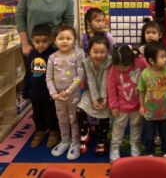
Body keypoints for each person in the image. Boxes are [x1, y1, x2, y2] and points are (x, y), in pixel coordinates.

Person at [46, 25, 84, 160]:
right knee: (62, 119)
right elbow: (49, 77)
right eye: (61, 38)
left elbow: (80, 76)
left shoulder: (78, 55)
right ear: (54, 40)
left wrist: (68, 91)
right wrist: (54, 94)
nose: (64, 41)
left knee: (73, 119)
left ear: (74, 40)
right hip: (57, 96)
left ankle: (75, 143)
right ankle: (65, 141)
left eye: (68, 38)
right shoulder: (52, 57)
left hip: (73, 94)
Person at [108, 45, 148, 162]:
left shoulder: (140, 62)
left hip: (138, 105)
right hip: (121, 107)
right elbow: (111, 90)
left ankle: (135, 145)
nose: (122, 70)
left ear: (132, 60)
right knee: (118, 127)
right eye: (118, 67)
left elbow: (148, 72)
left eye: (125, 67)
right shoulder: (113, 70)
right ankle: (115, 147)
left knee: (136, 126)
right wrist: (114, 106)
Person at [22, 23, 59, 148]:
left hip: (49, 93)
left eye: (44, 41)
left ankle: (54, 132)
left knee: (51, 113)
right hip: (35, 93)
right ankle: (39, 131)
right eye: (37, 42)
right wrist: (25, 89)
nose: (41, 44)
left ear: (50, 40)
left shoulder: (54, 54)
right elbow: (28, 73)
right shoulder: (31, 54)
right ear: (32, 41)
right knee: (37, 114)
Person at [137, 41, 166, 157]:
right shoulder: (145, 74)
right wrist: (141, 106)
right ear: (152, 61)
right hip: (149, 111)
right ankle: (149, 152)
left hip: (164, 111)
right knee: (149, 134)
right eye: (162, 57)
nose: (165, 59)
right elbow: (141, 90)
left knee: (165, 133)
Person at [77, 33, 112, 157]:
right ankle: (84, 132)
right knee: (80, 109)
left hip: (107, 94)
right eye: (95, 52)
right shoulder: (86, 62)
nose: (99, 55)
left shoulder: (109, 61)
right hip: (91, 92)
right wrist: (94, 99)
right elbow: (90, 80)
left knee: (105, 116)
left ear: (108, 51)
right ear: (89, 51)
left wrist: (103, 99)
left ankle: (102, 142)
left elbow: (105, 82)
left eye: (103, 52)